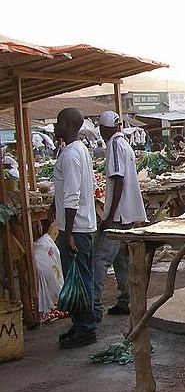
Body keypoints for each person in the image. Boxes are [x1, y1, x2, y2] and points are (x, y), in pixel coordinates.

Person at [93, 111, 148, 317]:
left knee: (99, 259)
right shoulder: (124, 143)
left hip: (118, 215)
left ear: (103, 129)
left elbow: (118, 180)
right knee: (120, 259)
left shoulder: (115, 145)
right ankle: (126, 300)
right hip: (128, 213)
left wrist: (108, 217)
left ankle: (94, 306)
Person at [53, 108, 98, 348]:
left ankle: (86, 328)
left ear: (69, 124)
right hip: (81, 226)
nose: (55, 127)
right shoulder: (77, 150)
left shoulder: (71, 154)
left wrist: (68, 232)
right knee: (78, 278)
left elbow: (72, 195)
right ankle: (80, 323)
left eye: (58, 122)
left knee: (81, 277)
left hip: (76, 229)